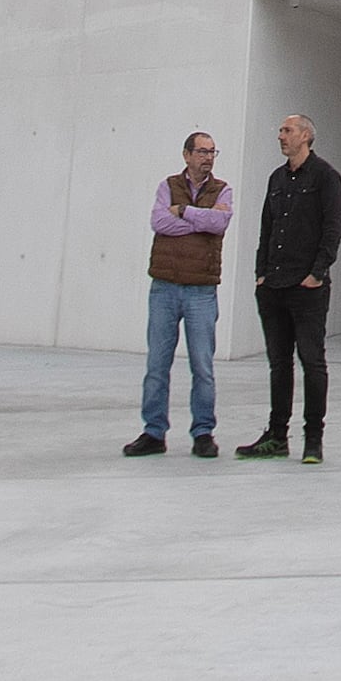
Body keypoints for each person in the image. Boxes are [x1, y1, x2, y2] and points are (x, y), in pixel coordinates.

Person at [232, 108, 341, 463]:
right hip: (273, 286)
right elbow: (267, 229)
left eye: (287, 130)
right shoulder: (276, 179)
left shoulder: (326, 177)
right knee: (278, 364)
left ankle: (314, 439)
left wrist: (317, 273)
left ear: (306, 136)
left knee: (312, 361)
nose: (281, 136)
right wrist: (260, 274)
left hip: (307, 287)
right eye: (280, 130)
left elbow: (333, 229)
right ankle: (276, 436)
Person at [128, 130, 233, 459]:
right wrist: (199, 221)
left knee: (202, 365)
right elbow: (159, 222)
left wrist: (185, 212)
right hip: (165, 287)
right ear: (186, 154)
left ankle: (203, 432)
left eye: (213, 152)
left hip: (201, 290)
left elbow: (219, 223)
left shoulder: (222, 189)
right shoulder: (166, 186)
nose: (208, 158)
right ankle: (153, 431)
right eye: (202, 151)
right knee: (157, 363)